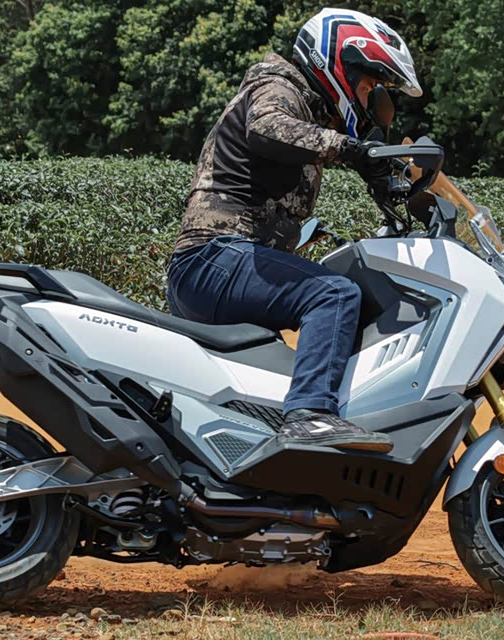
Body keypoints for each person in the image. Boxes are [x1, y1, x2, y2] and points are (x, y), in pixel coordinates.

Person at [166, 8, 422, 453]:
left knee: (349, 302)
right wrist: (352, 150)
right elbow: (267, 128)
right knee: (334, 294)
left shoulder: (308, 112)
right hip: (213, 258)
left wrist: (388, 180)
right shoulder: (277, 85)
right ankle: (310, 416)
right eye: (368, 86)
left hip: (221, 265)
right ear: (341, 65)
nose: (369, 98)